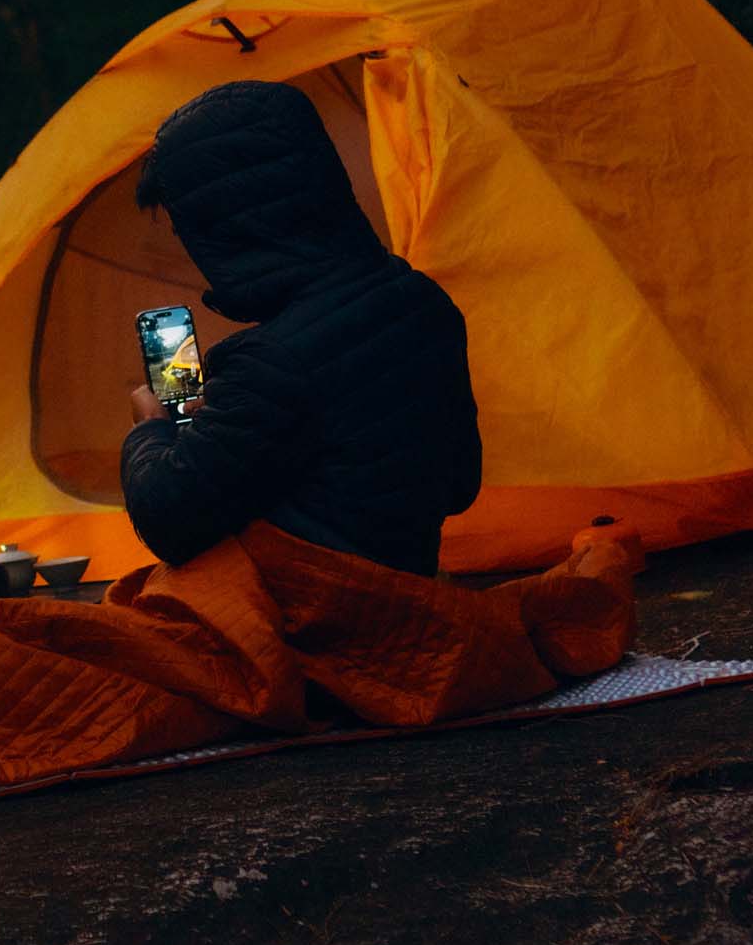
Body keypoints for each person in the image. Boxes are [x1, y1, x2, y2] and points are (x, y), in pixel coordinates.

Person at [120, 79, 482, 575]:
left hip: (315, 618)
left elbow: (168, 520)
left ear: (223, 230)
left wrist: (152, 428)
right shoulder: (424, 303)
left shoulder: (268, 362)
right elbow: (460, 485)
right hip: (412, 584)